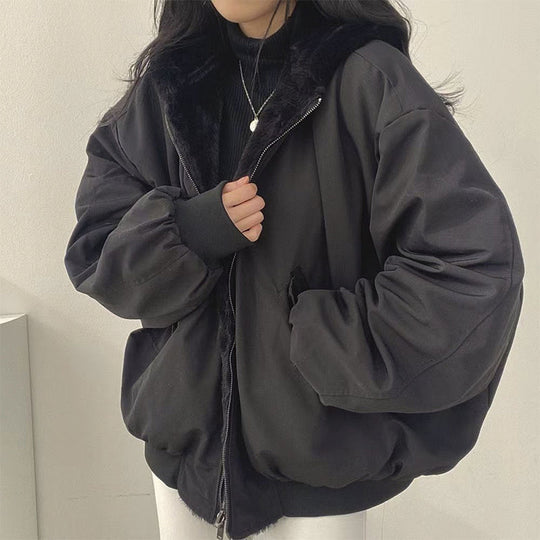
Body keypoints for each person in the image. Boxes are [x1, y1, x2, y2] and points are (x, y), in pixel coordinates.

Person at [63, 1, 525, 539]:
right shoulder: (171, 84)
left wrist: (317, 341)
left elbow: (472, 267)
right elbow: (98, 247)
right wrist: (188, 233)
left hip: (320, 463)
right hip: (184, 454)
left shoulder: (368, 79)